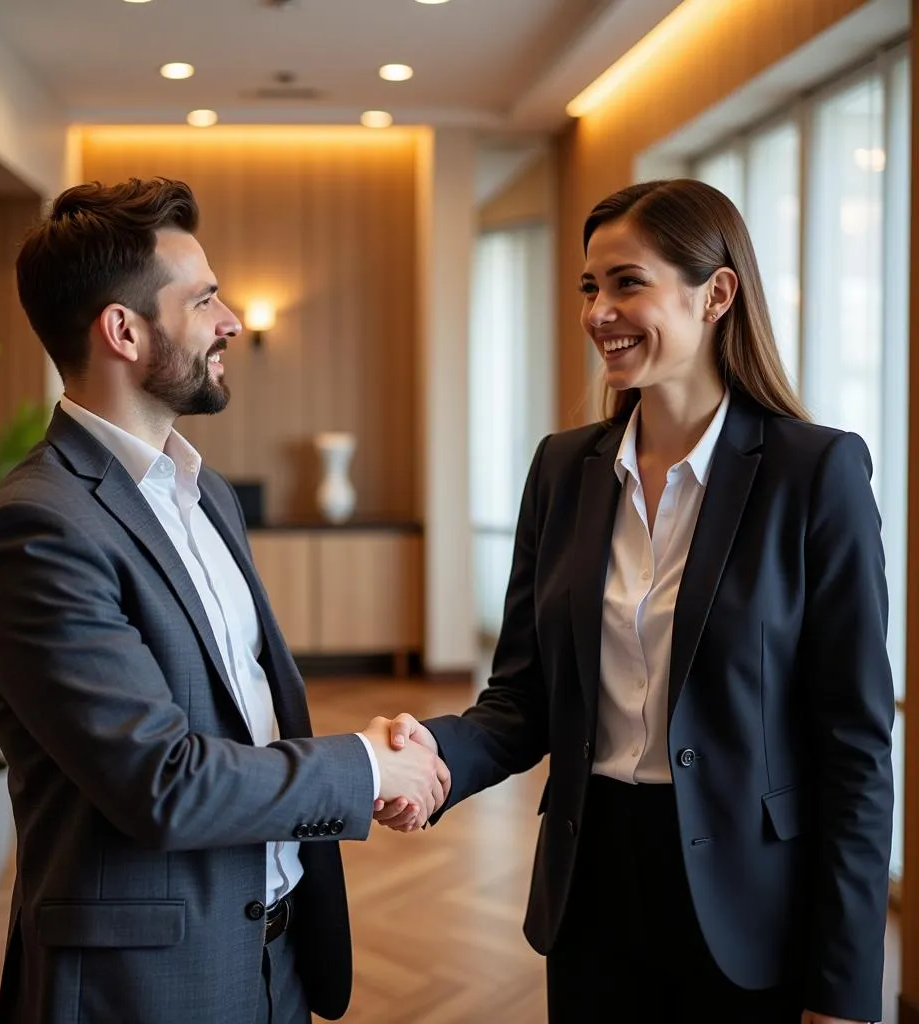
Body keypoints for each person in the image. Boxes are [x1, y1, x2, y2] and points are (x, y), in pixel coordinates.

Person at [373, 179, 894, 1024]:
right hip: (593, 883)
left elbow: (856, 749)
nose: (599, 311)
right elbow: (522, 700)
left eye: (627, 282)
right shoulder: (562, 469)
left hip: (754, 905)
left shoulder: (816, 473)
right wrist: (428, 761)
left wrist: (844, 989)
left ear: (716, 292)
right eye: (589, 287)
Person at [0, 176, 448, 1024]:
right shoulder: (36, 528)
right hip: (147, 984)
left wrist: (370, 761)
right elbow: (162, 780)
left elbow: (247, 714)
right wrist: (365, 764)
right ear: (122, 329)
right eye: (207, 300)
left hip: (278, 949)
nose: (231, 322)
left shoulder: (204, 491)